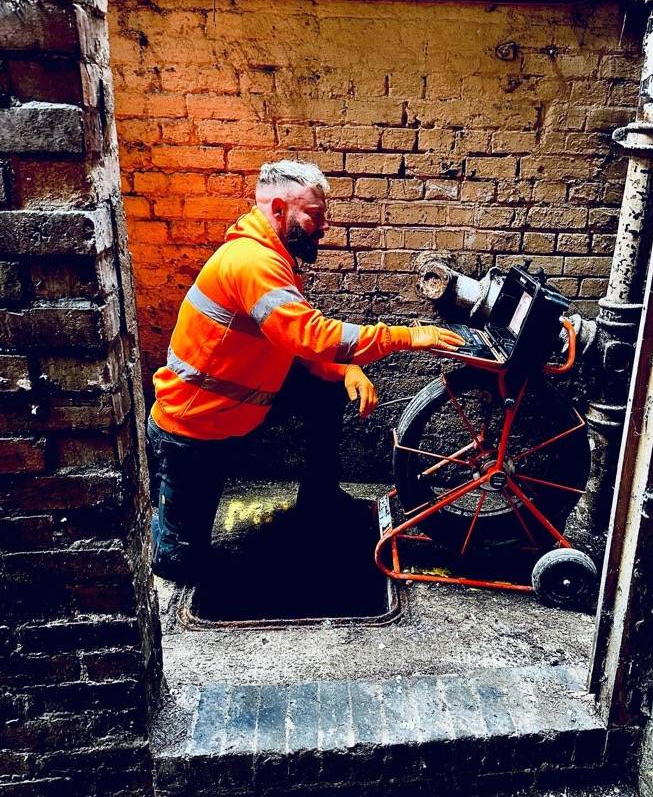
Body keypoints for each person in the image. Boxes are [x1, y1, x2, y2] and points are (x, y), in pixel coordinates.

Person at [147, 159, 465, 584]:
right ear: (279, 209)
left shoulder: (273, 255)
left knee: (323, 388)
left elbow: (288, 341)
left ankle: (319, 499)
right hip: (193, 428)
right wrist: (408, 335)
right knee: (178, 563)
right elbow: (311, 334)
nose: (324, 227)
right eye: (315, 216)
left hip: (233, 408)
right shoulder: (253, 262)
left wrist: (341, 370)